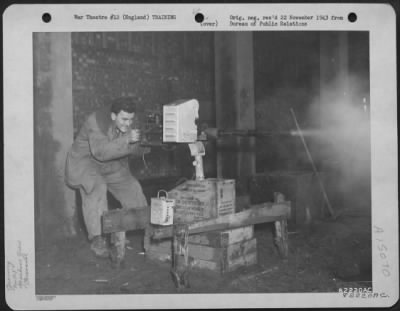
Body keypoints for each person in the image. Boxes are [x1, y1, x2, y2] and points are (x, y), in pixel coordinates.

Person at [65, 97, 150, 259]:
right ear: (113, 116)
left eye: (131, 119)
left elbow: (131, 150)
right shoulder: (95, 122)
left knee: (131, 186)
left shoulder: (127, 121)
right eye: (124, 119)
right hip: (86, 162)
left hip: (110, 163)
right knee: (97, 187)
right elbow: (100, 152)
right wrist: (127, 140)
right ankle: (98, 239)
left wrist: (143, 143)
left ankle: (146, 226)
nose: (128, 123)